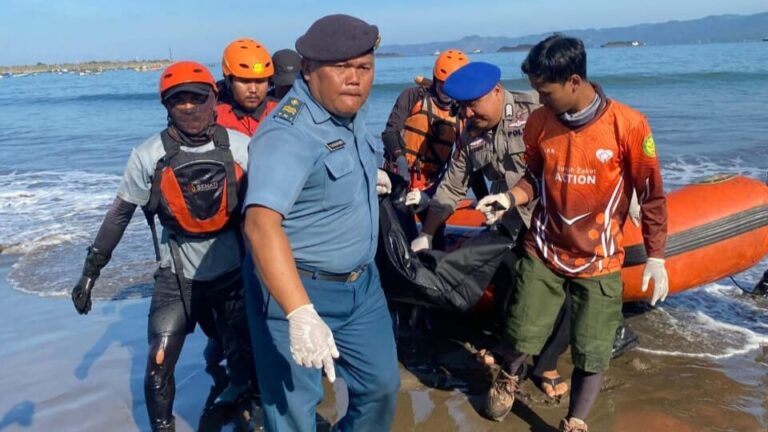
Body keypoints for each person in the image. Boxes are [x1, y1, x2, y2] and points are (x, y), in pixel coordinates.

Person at [475, 35, 669, 431]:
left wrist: (657, 255)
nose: (539, 100)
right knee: (520, 329)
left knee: (592, 351)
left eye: (545, 92)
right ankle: (509, 377)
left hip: (600, 258)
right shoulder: (539, 123)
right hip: (544, 248)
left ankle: (576, 421)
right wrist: (510, 199)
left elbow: (651, 194)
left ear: (575, 81)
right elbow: (533, 176)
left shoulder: (628, 126)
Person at [70, 61, 254, 432]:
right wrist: (90, 273)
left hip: (233, 271)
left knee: (246, 353)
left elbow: (271, 211)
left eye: (196, 98)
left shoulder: (241, 148)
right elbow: (119, 216)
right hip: (178, 276)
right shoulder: (147, 155)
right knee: (158, 366)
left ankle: (242, 403)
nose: (188, 107)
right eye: (177, 100)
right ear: (166, 105)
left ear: (213, 98)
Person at [241, 14, 400, 431]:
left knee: (381, 388)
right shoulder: (288, 134)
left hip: (362, 287)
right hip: (296, 291)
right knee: (293, 412)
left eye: (364, 68)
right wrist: (300, 313)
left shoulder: (351, 114)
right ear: (308, 70)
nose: (355, 79)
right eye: (341, 68)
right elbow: (260, 225)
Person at [408, 61, 570, 399]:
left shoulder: (536, 111)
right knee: (509, 275)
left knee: (561, 288)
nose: (466, 113)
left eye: (473, 104)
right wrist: (427, 232)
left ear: (496, 92)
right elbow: (451, 189)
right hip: (513, 221)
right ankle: (511, 346)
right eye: (461, 107)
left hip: (555, 217)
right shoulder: (470, 134)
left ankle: (546, 363)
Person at [216, 38, 279, 136]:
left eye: (260, 81)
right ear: (229, 82)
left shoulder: (281, 112)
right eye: (245, 81)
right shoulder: (214, 116)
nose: (253, 90)